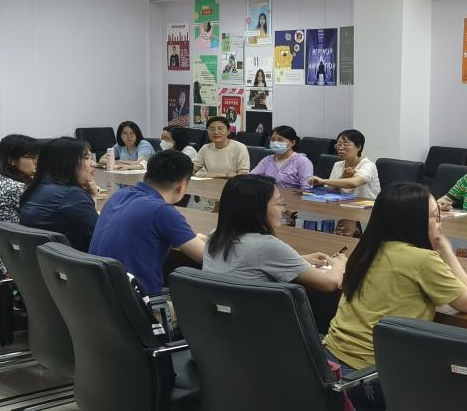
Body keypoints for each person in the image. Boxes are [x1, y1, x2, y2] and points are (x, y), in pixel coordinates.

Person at [322, 182, 467, 406]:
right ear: (413, 221)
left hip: (329, 364)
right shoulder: (422, 260)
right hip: (371, 378)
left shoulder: (368, 248)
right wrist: (446, 249)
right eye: (435, 216)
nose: (440, 223)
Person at [202, 174, 345, 326]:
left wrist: (300, 259)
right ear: (256, 210)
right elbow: (329, 284)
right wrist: (339, 263)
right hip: (259, 331)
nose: (283, 209)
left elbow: (247, 260)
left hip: (217, 328)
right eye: (279, 203)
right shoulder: (267, 246)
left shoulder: (215, 236)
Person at [89, 150, 205, 295]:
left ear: (146, 175)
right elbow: (207, 258)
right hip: (134, 299)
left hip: (97, 293)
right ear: (181, 186)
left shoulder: (119, 195)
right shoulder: (162, 211)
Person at [19, 137, 98, 251]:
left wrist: (92, 195)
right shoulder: (71, 195)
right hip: (73, 258)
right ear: (67, 162)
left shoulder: (37, 186)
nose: (93, 164)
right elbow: (99, 235)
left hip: (43, 258)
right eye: (86, 158)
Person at [307, 129, 380, 199]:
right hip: (345, 204)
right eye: (338, 145)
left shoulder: (368, 165)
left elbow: (355, 182)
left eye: (346, 145)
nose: (341, 148)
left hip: (368, 205)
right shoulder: (338, 165)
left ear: (358, 147)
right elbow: (331, 189)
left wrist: (323, 181)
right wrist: (342, 177)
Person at [250, 125, 313, 191]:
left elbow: (306, 189)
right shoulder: (267, 160)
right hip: (269, 195)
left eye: (280, 140)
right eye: (273, 139)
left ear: (292, 143)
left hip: (291, 197)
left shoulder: (302, 161)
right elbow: (251, 178)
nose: (275, 143)